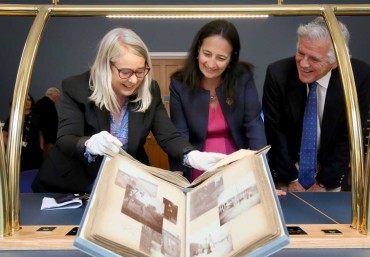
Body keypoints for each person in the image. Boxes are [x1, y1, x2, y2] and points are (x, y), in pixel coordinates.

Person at [32, 27, 226, 193]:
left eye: (140, 71)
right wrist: (89, 144)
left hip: (121, 185)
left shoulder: (149, 90)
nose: (134, 80)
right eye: (125, 72)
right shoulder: (76, 87)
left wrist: (192, 156)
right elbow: (66, 139)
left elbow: (168, 136)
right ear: (105, 66)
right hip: (73, 184)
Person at [262, 17, 370, 192]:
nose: (304, 63)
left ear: (336, 62)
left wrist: (324, 183)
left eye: (314, 58)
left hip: (329, 173)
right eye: (300, 53)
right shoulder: (278, 74)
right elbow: (275, 131)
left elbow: (350, 135)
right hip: (288, 171)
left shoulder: (357, 77)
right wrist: (291, 178)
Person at [169, 19, 267, 181]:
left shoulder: (243, 78)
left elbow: (254, 125)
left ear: (231, 59)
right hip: (198, 163)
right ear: (198, 49)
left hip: (237, 162)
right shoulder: (179, 84)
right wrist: (178, 176)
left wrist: (263, 174)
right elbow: (179, 134)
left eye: (221, 58)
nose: (211, 64)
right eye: (206, 54)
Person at [2, 94, 44, 171]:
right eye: (25, 100)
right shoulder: (13, 117)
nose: (27, 102)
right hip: (18, 152)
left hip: (35, 152)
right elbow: (4, 135)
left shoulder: (37, 116)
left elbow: (40, 134)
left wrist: (41, 147)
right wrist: (12, 148)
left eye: (29, 100)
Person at [34, 87, 61, 158]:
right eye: (58, 97)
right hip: (47, 139)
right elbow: (51, 123)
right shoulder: (50, 105)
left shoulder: (38, 103)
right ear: (55, 96)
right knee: (48, 158)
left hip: (37, 137)